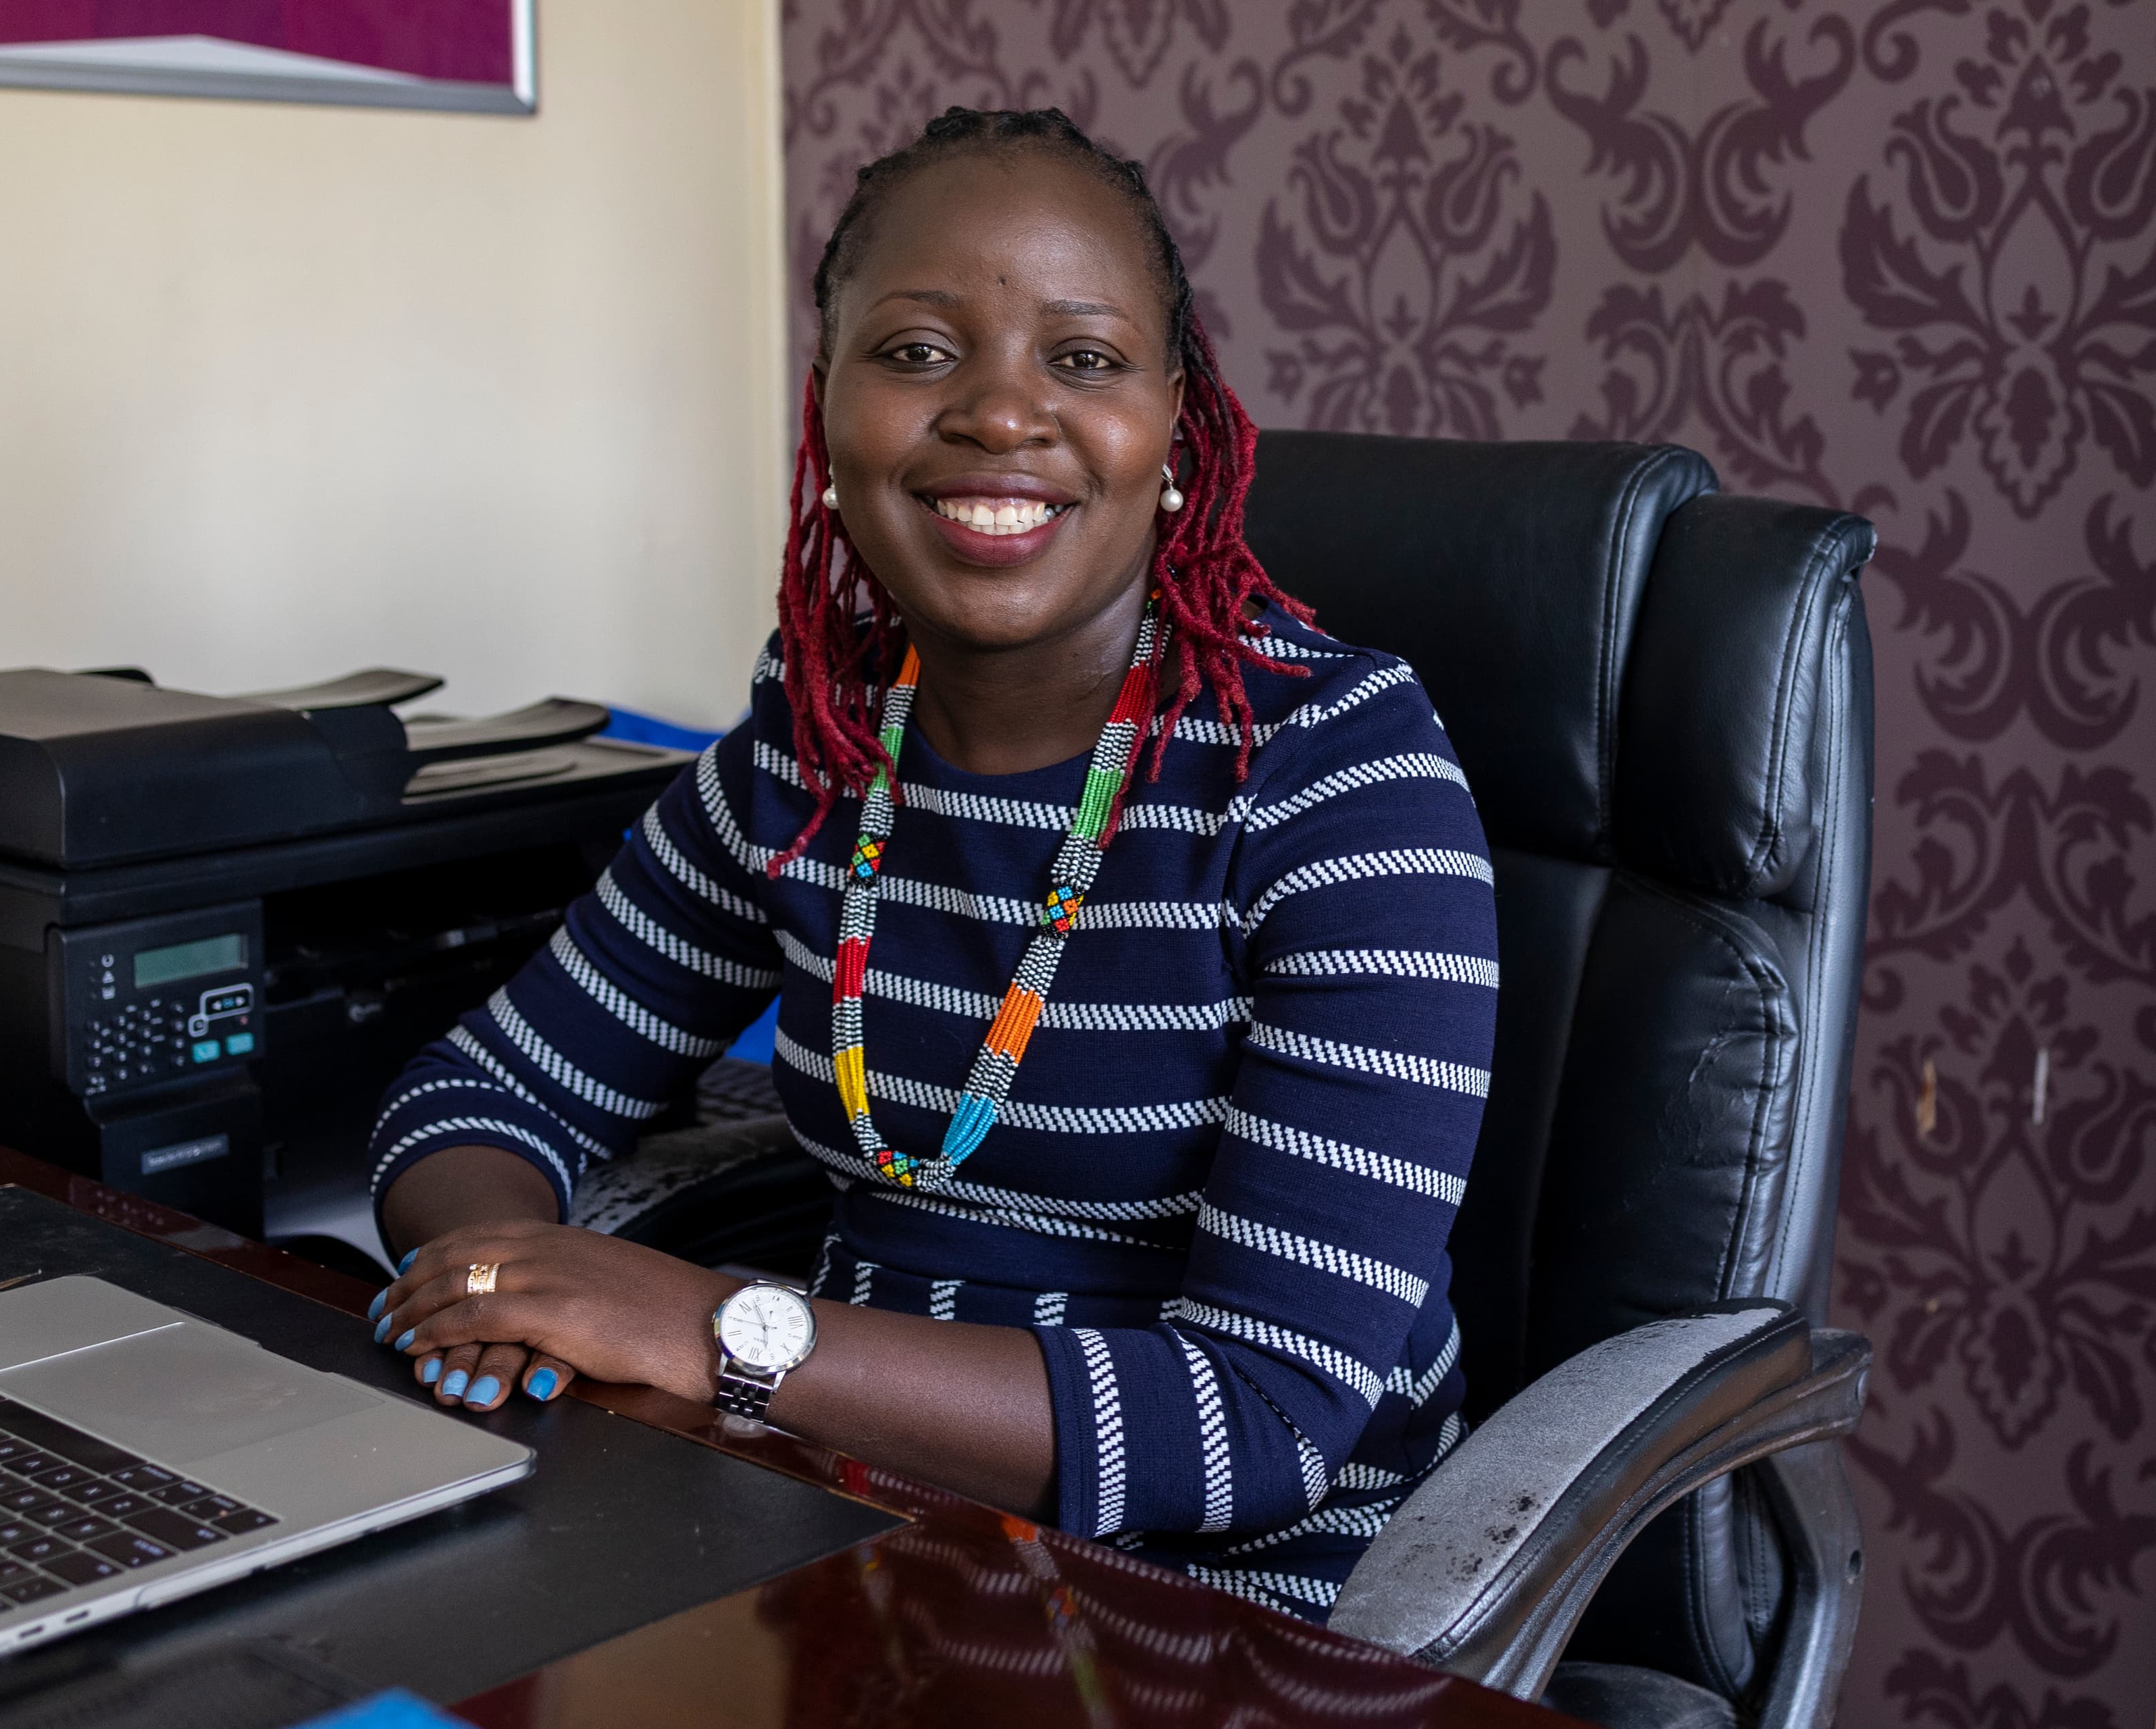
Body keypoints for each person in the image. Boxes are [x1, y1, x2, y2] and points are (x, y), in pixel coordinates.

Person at [363, 107, 1496, 1620]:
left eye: (1083, 359)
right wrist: (500, 1286)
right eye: (917, 352)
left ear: (1179, 426)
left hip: (1240, 1612)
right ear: (828, 414)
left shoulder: (1336, 773)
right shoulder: (815, 747)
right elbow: (481, 1096)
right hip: (845, 1531)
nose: (1001, 414)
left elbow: (1259, 1422)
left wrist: (715, 1330)